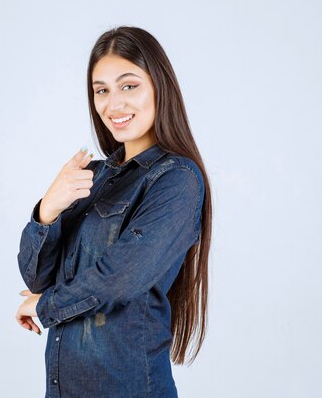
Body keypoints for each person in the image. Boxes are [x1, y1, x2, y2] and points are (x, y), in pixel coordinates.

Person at [15, 26, 213, 398]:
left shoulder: (177, 181)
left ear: (159, 86)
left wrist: (46, 305)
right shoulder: (92, 176)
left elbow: (120, 278)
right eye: (101, 90)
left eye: (129, 85)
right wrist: (48, 209)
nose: (113, 104)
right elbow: (37, 275)